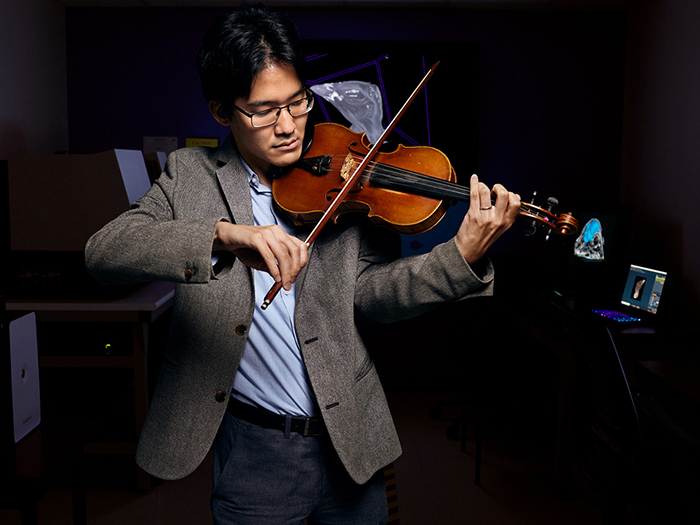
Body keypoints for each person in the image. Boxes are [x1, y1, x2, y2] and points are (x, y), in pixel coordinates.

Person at [85, 4, 521, 524]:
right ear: (222, 111)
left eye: (298, 103)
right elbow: (104, 251)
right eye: (265, 111)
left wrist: (461, 256)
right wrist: (221, 236)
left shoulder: (346, 172)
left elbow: (375, 295)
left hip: (350, 440)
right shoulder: (190, 176)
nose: (289, 126)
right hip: (253, 450)